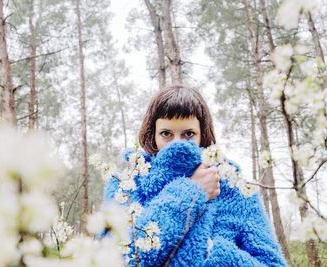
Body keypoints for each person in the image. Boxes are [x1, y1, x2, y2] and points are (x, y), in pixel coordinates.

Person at [102, 85, 288, 266]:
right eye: (166, 133)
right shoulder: (126, 185)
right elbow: (112, 258)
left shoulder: (234, 186)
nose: (177, 144)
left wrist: (210, 252)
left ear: (203, 135)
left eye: (188, 134)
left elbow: (273, 263)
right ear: (153, 136)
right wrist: (192, 190)